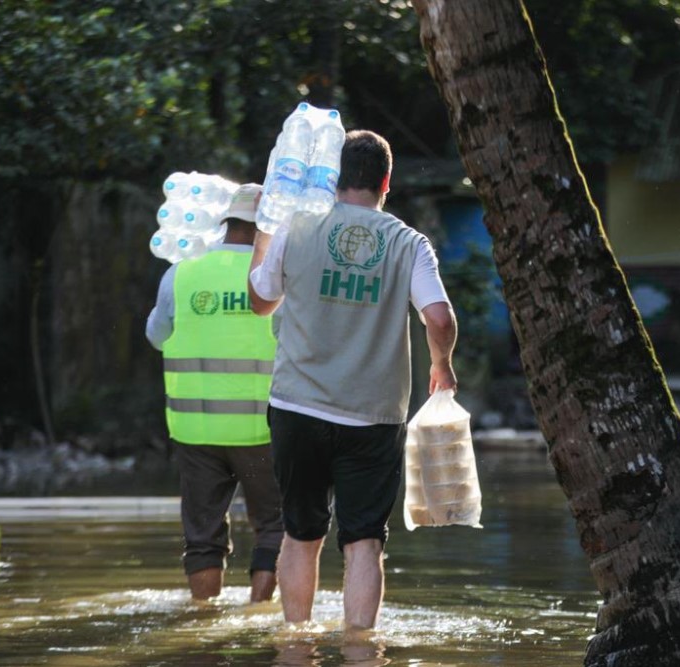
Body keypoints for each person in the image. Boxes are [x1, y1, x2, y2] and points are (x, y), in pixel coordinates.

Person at [247, 130, 458, 629]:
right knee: (364, 540)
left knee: (301, 535)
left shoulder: (296, 228)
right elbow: (440, 318)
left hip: (298, 407)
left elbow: (260, 302)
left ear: (334, 179)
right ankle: (361, 651)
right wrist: (441, 365)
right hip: (373, 417)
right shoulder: (409, 243)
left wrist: (266, 228)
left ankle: (296, 648)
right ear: (386, 181)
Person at [145, 183, 283, 603]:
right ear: (268, 227)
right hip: (263, 430)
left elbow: (156, 336)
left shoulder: (181, 271)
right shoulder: (276, 277)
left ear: (225, 222)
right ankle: (257, 615)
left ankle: (203, 620)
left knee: (202, 535)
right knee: (275, 525)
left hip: (195, 428)